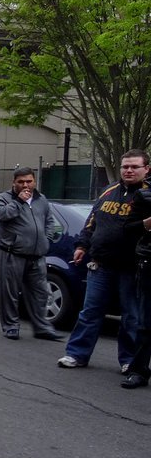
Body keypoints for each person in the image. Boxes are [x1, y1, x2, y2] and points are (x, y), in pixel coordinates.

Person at [58, 149, 150, 372]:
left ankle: (129, 361)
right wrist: (82, 245)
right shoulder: (108, 192)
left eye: (134, 167)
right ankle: (76, 354)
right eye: (125, 166)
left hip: (133, 267)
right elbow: (91, 221)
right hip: (101, 265)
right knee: (90, 312)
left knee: (131, 318)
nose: (128, 171)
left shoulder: (148, 195)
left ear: (146, 169)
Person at [0, 168, 63, 341]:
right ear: (13, 182)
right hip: (12, 253)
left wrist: (47, 238)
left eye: (29, 181)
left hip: (37, 256)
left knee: (40, 294)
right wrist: (18, 202)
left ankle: (42, 327)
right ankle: (11, 326)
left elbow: (49, 220)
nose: (25, 185)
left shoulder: (41, 199)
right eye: (21, 181)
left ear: (34, 182)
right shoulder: (3, 199)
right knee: (10, 293)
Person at [122, 186, 151, 389]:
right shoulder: (145, 195)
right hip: (149, 262)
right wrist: (147, 223)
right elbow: (129, 227)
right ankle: (139, 370)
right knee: (145, 322)